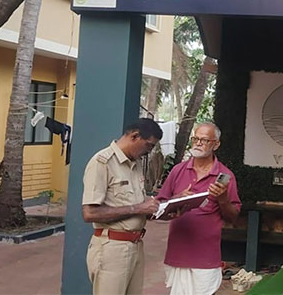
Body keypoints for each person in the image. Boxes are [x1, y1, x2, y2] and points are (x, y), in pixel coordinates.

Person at [157, 122, 241, 295]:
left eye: (204, 140)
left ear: (216, 144)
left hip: (206, 256)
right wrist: (176, 199)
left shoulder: (225, 176)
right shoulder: (178, 170)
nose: (198, 143)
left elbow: (233, 217)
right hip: (178, 252)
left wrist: (223, 199)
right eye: (195, 139)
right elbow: (157, 208)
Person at [82, 118, 163, 295]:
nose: (148, 152)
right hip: (111, 248)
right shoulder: (102, 162)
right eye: (149, 146)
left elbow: (135, 202)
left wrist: (159, 208)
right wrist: (139, 209)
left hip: (135, 245)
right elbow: (89, 213)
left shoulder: (135, 164)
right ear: (135, 136)